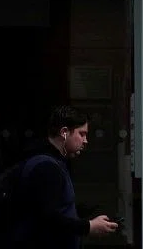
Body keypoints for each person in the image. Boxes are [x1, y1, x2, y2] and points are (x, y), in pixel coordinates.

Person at [8, 105, 119, 248]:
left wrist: (78, 211)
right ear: (64, 133)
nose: (85, 141)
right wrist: (88, 227)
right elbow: (47, 218)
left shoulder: (50, 161)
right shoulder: (46, 167)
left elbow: (51, 208)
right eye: (81, 134)